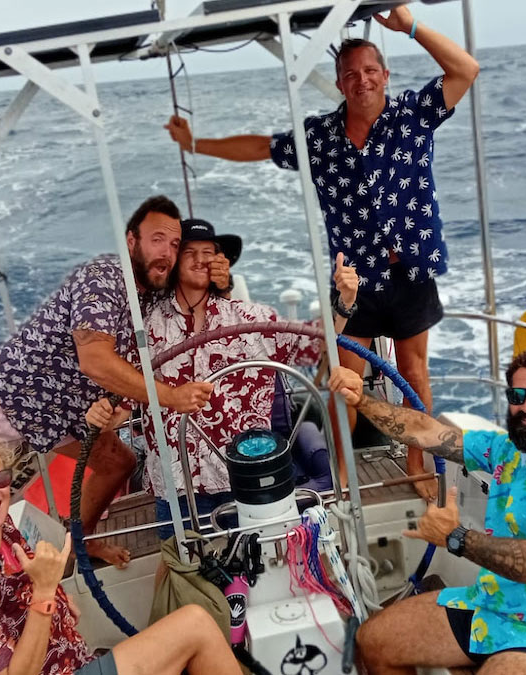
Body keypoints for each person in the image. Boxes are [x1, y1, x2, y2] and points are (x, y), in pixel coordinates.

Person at [164, 6, 480, 501]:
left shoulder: (413, 116)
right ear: (339, 82)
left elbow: (466, 70)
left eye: (370, 71)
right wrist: (196, 143)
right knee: (344, 380)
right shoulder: (320, 137)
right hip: (352, 281)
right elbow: (260, 147)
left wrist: (409, 25)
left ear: (385, 75)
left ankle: (418, 459)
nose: (362, 81)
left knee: (415, 373)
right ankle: (342, 469)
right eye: (351, 74)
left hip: (410, 271)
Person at [0, 195, 215, 567]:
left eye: (174, 244)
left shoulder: (148, 299)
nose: (166, 251)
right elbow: (95, 359)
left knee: (117, 461)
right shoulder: (105, 277)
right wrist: (171, 397)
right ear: (131, 241)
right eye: (157, 239)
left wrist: (124, 406)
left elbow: (150, 347)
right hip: (1, 400)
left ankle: (80, 543)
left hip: (58, 415)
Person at [329, 349, 526, 675]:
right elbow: (427, 431)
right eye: (518, 395)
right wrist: (362, 400)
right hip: (492, 607)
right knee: (374, 640)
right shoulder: (509, 450)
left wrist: (455, 537)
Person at [87, 218, 358, 538]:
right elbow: (125, 401)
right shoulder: (145, 330)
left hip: (250, 481)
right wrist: (103, 413)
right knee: (183, 573)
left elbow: (314, 346)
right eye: (190, 252)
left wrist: (344, 301)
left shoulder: (253, 319)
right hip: (178, 488)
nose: (201, 259)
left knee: (267, 565)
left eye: (209, 252)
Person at [0, 437, 242, 675]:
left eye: (1, 479)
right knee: (195, 625)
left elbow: (31, 582)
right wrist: (47, 595)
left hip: (73, 659)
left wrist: (60, 600)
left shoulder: (2, 529)